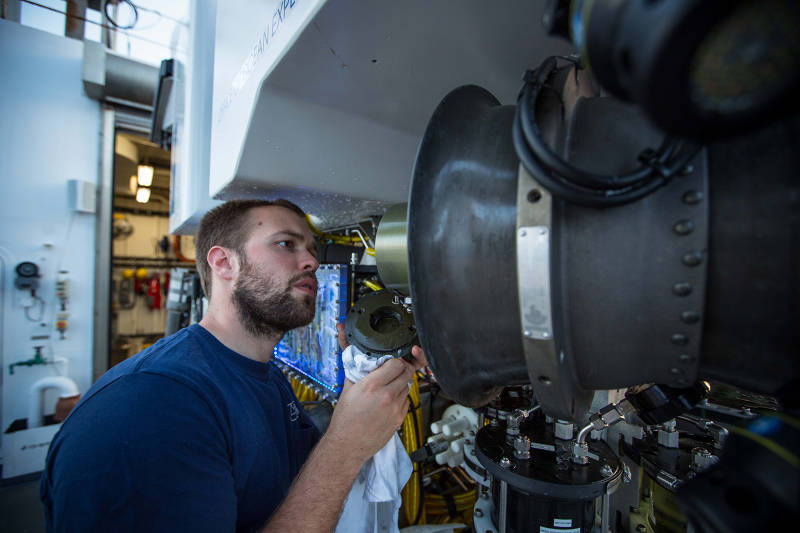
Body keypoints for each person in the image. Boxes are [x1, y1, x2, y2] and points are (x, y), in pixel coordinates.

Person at [40, 199, 428, 532]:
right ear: (224, 263)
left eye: (312, 248)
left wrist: (363, 385)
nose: (311, 261)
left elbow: (303, 486)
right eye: (286, 244)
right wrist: (345, 445)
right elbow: (334, 461)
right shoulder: (148, 407)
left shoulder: (261, 376)